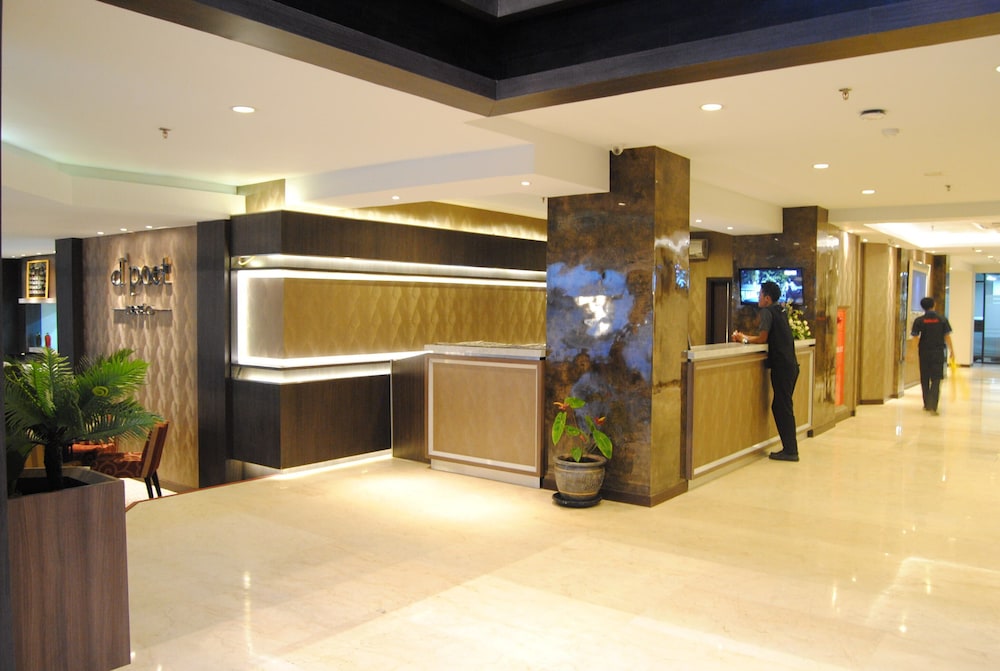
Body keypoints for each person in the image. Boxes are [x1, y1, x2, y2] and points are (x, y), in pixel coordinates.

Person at [732, 281, 800, 462]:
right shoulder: (781, 310)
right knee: (782, 406)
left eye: (760, 294)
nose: (758, 298)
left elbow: (762, 338)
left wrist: (744, 339)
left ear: (767, 298)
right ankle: (790, 448)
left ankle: (791, 450)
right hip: (790, 365)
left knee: (782, 407)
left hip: (782, 367)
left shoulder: (767, 312)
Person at [910, 296, 954, 415]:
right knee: (936, 379)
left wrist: (912, 352)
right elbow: (947, 336)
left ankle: (926, 404)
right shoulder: (942, 319)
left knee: (924, 378)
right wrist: (952, 351)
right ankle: (933, 406)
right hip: (938, 352)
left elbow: (915, 337)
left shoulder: (919, 320)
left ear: (922, 307)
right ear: (934, 305)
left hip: (924, 352)